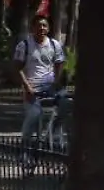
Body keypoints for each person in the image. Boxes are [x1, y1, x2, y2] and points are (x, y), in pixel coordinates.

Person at [14, 16, 66, 171]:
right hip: (32, 88)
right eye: (38, 26)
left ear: (48, 28)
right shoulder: (24, 46)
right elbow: (17, 68)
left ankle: (57, 139)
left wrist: (56, 81)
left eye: (44, 26)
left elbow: (59, 63)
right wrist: (27, 87)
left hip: (50, 86)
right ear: (32, 28)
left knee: (65, 105)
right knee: (34, 115)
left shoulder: (54, 45)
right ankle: (25, 150)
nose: (41, 28)